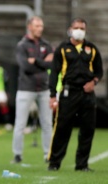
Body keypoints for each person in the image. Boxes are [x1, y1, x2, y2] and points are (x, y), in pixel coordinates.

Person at [47, 17, 103, 171]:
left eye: (82, 28)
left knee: (88, 129)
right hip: (68, 92)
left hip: (87, 94)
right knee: (62, 128)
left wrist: (94, 82)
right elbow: (54, 73)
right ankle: (54, 163)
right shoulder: (62, 49)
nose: (79, 30)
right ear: (70, 30)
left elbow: (99, 71)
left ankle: (82, 164)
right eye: (77, 27)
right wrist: (52, 95)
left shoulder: (91, 49)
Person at [11, 16, 53, 163]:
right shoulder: (22, 45)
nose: (40, 28)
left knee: (47, 123)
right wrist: (42, 62)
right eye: (37, 26)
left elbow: (51, 65)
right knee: (20, 123)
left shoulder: (46, 44)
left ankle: (48, 154)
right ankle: (17, 155)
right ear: (30, 26)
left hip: (44, 88)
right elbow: (25, 67)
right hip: (26, 88)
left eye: (41, 26)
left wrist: (35, 61)